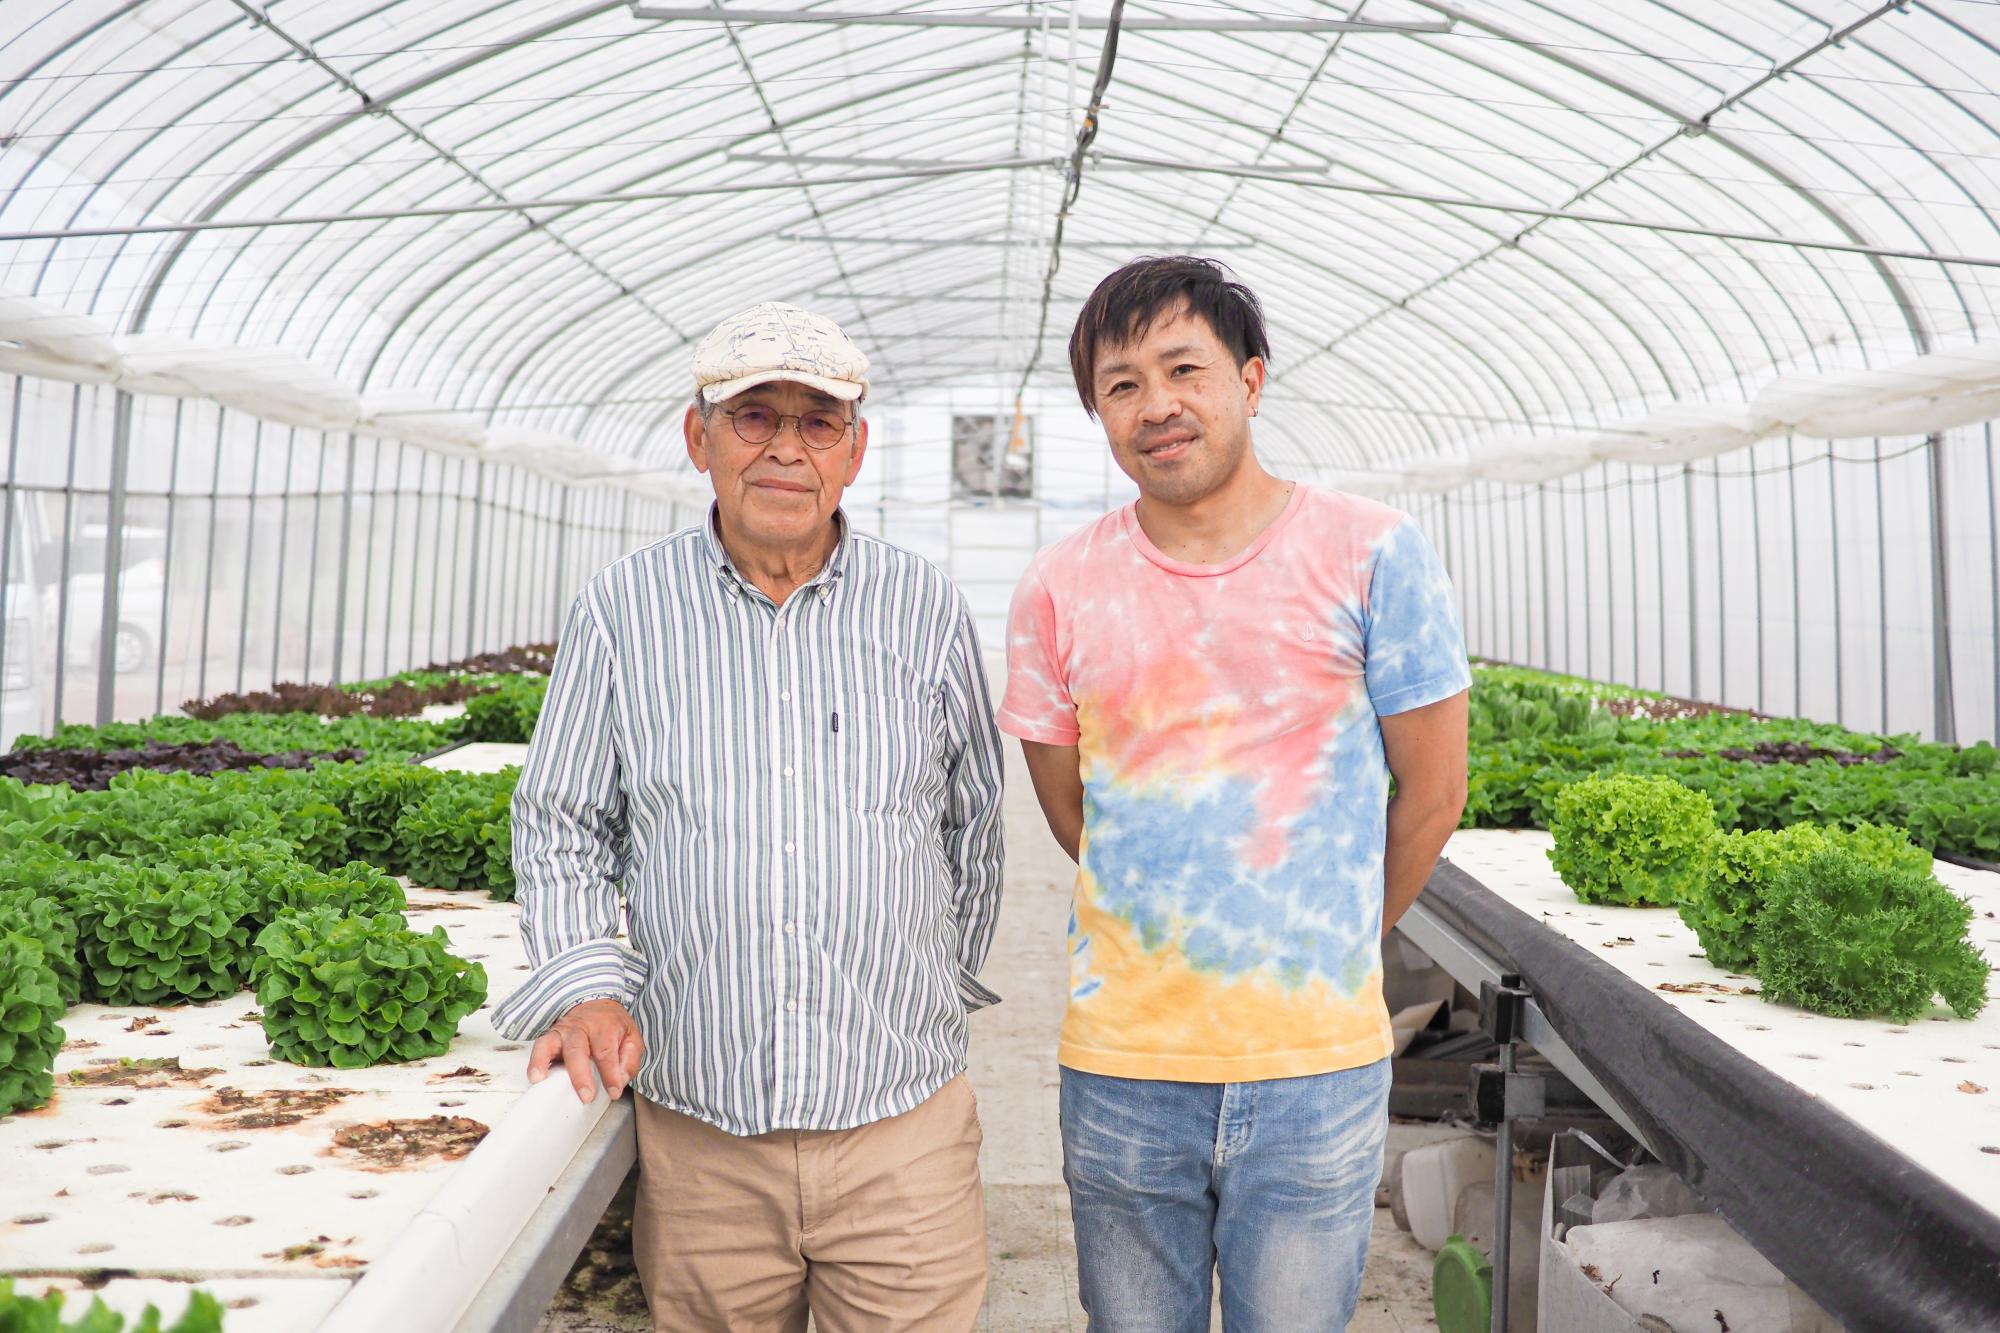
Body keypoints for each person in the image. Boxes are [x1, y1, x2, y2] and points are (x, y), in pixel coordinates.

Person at [492, 301, 1007, 1332]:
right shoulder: (622, 609)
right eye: (751, 417)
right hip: (701, 1137)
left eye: (816, 422)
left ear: (854, 450)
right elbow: (561, 820)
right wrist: (588, 983)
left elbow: (975, 828)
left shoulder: (923, 609)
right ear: (700, 438)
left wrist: (919, 985)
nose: (784, 449)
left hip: (900, 1129)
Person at [997, 256, 1470, 1332]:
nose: (1154, 405)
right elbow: (1076, 812)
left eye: (1182, 369)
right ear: (1096, 415)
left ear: (1249, 379)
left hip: (1314, 1070)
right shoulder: (1058, 587)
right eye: (1119, 385)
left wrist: (1337, 940)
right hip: (1122, 1067)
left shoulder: (1370, 552)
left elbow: (1432, 791)